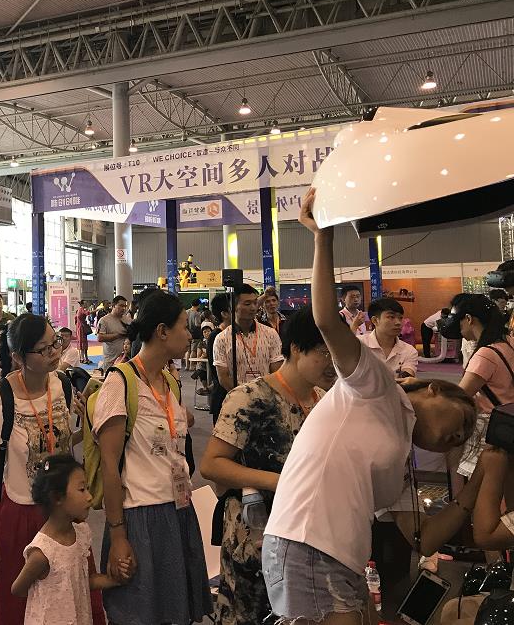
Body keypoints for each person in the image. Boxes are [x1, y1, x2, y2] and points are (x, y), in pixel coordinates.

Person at [262, 188, 480, 625]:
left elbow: (422, 538)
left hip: (341, 558)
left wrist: (478, 483)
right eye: (460, 423)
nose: (454, 437)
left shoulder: (399, 448)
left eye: (459, 440)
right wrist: (323, 238)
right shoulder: (378, 386)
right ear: (436, 391)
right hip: (307, 541)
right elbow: (327, 321)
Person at [200, 306, 337, 625]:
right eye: (324, 352)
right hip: (257, 536)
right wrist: (280, 481)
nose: (333, 362)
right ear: (297, 348)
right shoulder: (249, 398)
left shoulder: (323, 399)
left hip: (308, 535)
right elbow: (212, 464)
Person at [93, 290, 212, 625]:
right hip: (139, 517)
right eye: (182, 326)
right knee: (140, 614)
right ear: (162, 331)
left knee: (174, 613)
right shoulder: (120, 382)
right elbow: (109, 466)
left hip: (178, 510)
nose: (189, 334)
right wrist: (118, 536)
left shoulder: (170, 382)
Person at [0, 315, 100, 625]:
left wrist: (91, 426)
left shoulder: (62, 384)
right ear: (18, 357)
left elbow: (61, 443)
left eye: (55, 343)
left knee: (69, 598)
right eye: (44, 349)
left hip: (63, 511)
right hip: (20, 514)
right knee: (17, 606)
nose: (54, 353)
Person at [12, 455, 126, 624]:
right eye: (82, 490)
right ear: (57, 498)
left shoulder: (80, 534)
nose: (89, 496)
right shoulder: (43, 552)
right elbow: (18, 589)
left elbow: (80, 580)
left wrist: (114, 579)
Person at [448, 294, 514, 477]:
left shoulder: (485, 354)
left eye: (459, 322)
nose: (459, 328)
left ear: (469, 319)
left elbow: (461, 395)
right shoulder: (507, 343)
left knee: (485, 484)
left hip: (490, 432)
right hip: (507, 424)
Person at [213, 284, 283, 392]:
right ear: (233, 307)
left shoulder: (270, 334)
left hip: (267, 396)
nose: (253, 308)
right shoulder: (221, 339)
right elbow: (223, 378)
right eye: (247, 304)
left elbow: (276, 372)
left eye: (255, 303)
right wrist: (244, 395)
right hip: (237, 397)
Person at [363, 297, 419, 377]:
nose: (398, 322)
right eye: (391, 317)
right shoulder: (359, 345)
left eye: (400, 318)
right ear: (375, 320)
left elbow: (407, 378)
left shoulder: (409, 350)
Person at [206, 292, 231, 423]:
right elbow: (219, 375)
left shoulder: (235, 333)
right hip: (223, 398)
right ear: (225, 313)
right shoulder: (216, 336)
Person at [96, 296, 129, 371]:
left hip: (125, 360)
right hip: (110, 360)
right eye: (121, 306)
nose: (123, 308)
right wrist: (119, 335)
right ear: (113, 306)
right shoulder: (104, 320)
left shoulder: (128, 320)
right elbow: (100, 338)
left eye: (125, 306)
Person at [76, 301, 93, 365]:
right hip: (81, 328)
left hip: (81, 327)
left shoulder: (79, 310)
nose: (86, 304)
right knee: (82, 343)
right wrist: (97, 310)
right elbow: (88, 313)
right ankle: (83, 358)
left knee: (83, 342)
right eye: (85, 303)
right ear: (82, 304)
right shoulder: (82, 310)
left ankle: (84, 358)